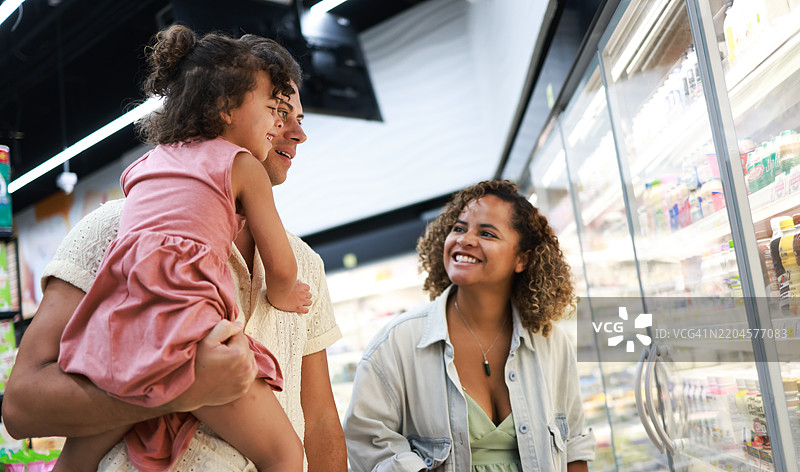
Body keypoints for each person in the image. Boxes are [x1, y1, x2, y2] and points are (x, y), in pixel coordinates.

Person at [2, 32, 345, 472]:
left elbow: (318, 421)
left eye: (298, 116)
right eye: (278, 111)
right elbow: (22, 406)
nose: (295, 132)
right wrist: (188, 386)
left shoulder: (309, 265)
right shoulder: (108, 228)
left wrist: (151, 383)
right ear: (226, 108)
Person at [342, 180, 596, 471]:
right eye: (459, 228)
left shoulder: (551, 342)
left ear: (522, 259)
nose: (465, 240)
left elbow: (574, 442)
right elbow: (367, 445)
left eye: (486, 233)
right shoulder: (396, 344)